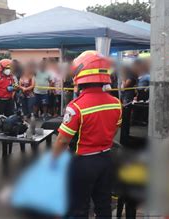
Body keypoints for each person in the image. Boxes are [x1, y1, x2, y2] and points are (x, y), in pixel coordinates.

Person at [51, 51, 122, 218]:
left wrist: (53, 162)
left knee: (78, 208)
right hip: (106, 159)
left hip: (83, 162)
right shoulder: (116, 103)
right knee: (104, 206)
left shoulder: (76, 107)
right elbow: (115, 130)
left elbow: (62, 140)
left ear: (79, 75)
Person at [0, 59, 17, 145]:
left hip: (9, 101)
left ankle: (9, 136)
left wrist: (13, 90)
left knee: (10, 118)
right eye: (7, 68)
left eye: (9, 68)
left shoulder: (11, 76)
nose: (9, 70)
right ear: (1, 68)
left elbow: (15, 86)